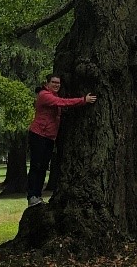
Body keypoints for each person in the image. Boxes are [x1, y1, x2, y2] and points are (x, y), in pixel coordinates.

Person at [25, 75, 97, 206]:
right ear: (47, 84)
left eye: (58, 83)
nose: (56, 85)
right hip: (38, 134)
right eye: (53, 82)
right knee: (36, 165)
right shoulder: (44, 95)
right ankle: (31, 196)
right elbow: (63, 103)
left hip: (49, 136)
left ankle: (37, 195)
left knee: (43, 167)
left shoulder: (53, 96)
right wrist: (83, 100)